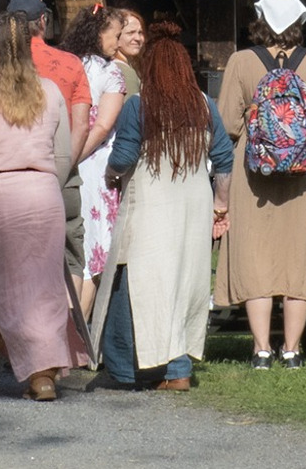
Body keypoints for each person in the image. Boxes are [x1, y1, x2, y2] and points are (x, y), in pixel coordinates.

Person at [0, 11, 84, 401]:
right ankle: (43, 376)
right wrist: (47, 189)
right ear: (30, 44)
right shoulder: (51, 91)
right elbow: (62, 156)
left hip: (1, 194)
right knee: (43, 285)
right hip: (43, 192)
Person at [93, 21, 233, 391]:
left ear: (149, 69)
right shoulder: (204, 105)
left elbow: (123, 157)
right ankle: (178, 369)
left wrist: (108, 174)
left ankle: (127, 370)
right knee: (185, 283)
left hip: (151, 207)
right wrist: (220, 206)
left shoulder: (139, 105)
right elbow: (224, 159)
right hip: (193, 207)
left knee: (138, 284)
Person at [214, 0, 306, 369]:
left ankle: (261, 350)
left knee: (254, 256)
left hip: (253, 173)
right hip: (303, 176)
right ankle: (291, 350)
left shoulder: (241, 61)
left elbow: (228, 124)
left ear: (260, 20)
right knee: (299, 257)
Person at [0, 0, 92, 306]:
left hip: (8, 179)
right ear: (43, 21)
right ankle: (68, 331)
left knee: (10, 258)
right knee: (69, 252)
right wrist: (66, 165)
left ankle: (16, 335)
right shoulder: (71, 64)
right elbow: (81, 125)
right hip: (60, 174)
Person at [61, 5, 127, 316]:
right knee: (91, 257)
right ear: (99, 35)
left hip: (61, 157)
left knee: (71, 250)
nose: (118, 42)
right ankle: (79, 333)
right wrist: (75, 158)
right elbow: (101, 125)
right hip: (92, 163)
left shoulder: (66, 65)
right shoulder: (111, 72)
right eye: (115, 35)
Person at [112, 9, 145, 96]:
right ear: (116, 37)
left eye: (140, 32)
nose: (138, 38)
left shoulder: (115, 66)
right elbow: (132, 108)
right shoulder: (124, 71)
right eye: (131, 33)